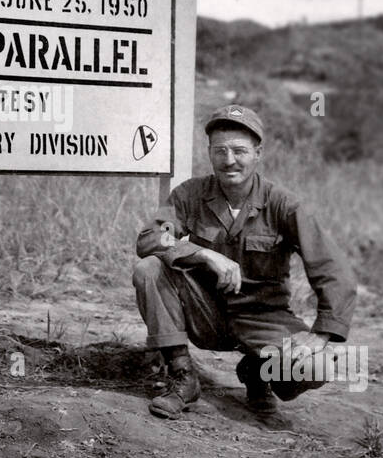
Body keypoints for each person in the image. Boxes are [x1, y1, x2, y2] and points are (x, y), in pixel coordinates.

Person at [133, 104, 357, 418]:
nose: (229, 161)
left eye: (239, 151)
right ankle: (182, 376)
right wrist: (203, 254)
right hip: (206, 313)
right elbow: (151, 237)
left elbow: (332, 268)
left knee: (315, 366)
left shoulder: (283, 205)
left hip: (263, 318)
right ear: (209, 153)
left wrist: (320, 334)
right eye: (220, 151)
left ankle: (256, 372)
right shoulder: (190, 195)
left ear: (257, 153)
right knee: (150, 268)